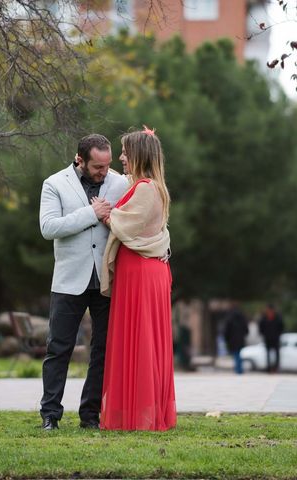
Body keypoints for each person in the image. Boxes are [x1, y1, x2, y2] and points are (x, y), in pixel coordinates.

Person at [38, 133, 129, 430]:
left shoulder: (121, 184)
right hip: (68, 281)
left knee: (102, 350)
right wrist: (92, 213)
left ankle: (90, 415)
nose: (105, 172)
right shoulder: (54, 184)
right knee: (58, 348)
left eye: (107, 165)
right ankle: (50, 414)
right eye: (98, 167)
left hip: (106, 280)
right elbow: (49, 227)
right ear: (80, 160)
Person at [99, 127, 176, 431]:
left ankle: (137, 414)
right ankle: (136, 410)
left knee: (140, 338)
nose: (121, 158)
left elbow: (127, 227)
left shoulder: (146, 188)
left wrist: (103, 213)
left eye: (125, 152)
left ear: (139, 155)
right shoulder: (151, 186)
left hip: (141, 271)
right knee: (141, 337)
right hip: (144, 269)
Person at [223, 303, 249, 374]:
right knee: (239, 353)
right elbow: (246, 329)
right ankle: (239, 368)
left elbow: (226, 330)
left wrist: (226, 338)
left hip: (232, 339)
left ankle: (238, 369)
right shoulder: (242, 317)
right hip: (240, 339)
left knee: (235, 353)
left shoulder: (230, 318)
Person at [258, 304, 284, 373]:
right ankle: (268, 368)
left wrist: (278, 334)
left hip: (275, 338)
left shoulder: (278, 317)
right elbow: (261, 326)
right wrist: (263, 334)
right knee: (267, 353)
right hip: (267, 338)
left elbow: (281, 326)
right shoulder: (264, 317)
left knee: (277, 353)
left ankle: (276, 368)